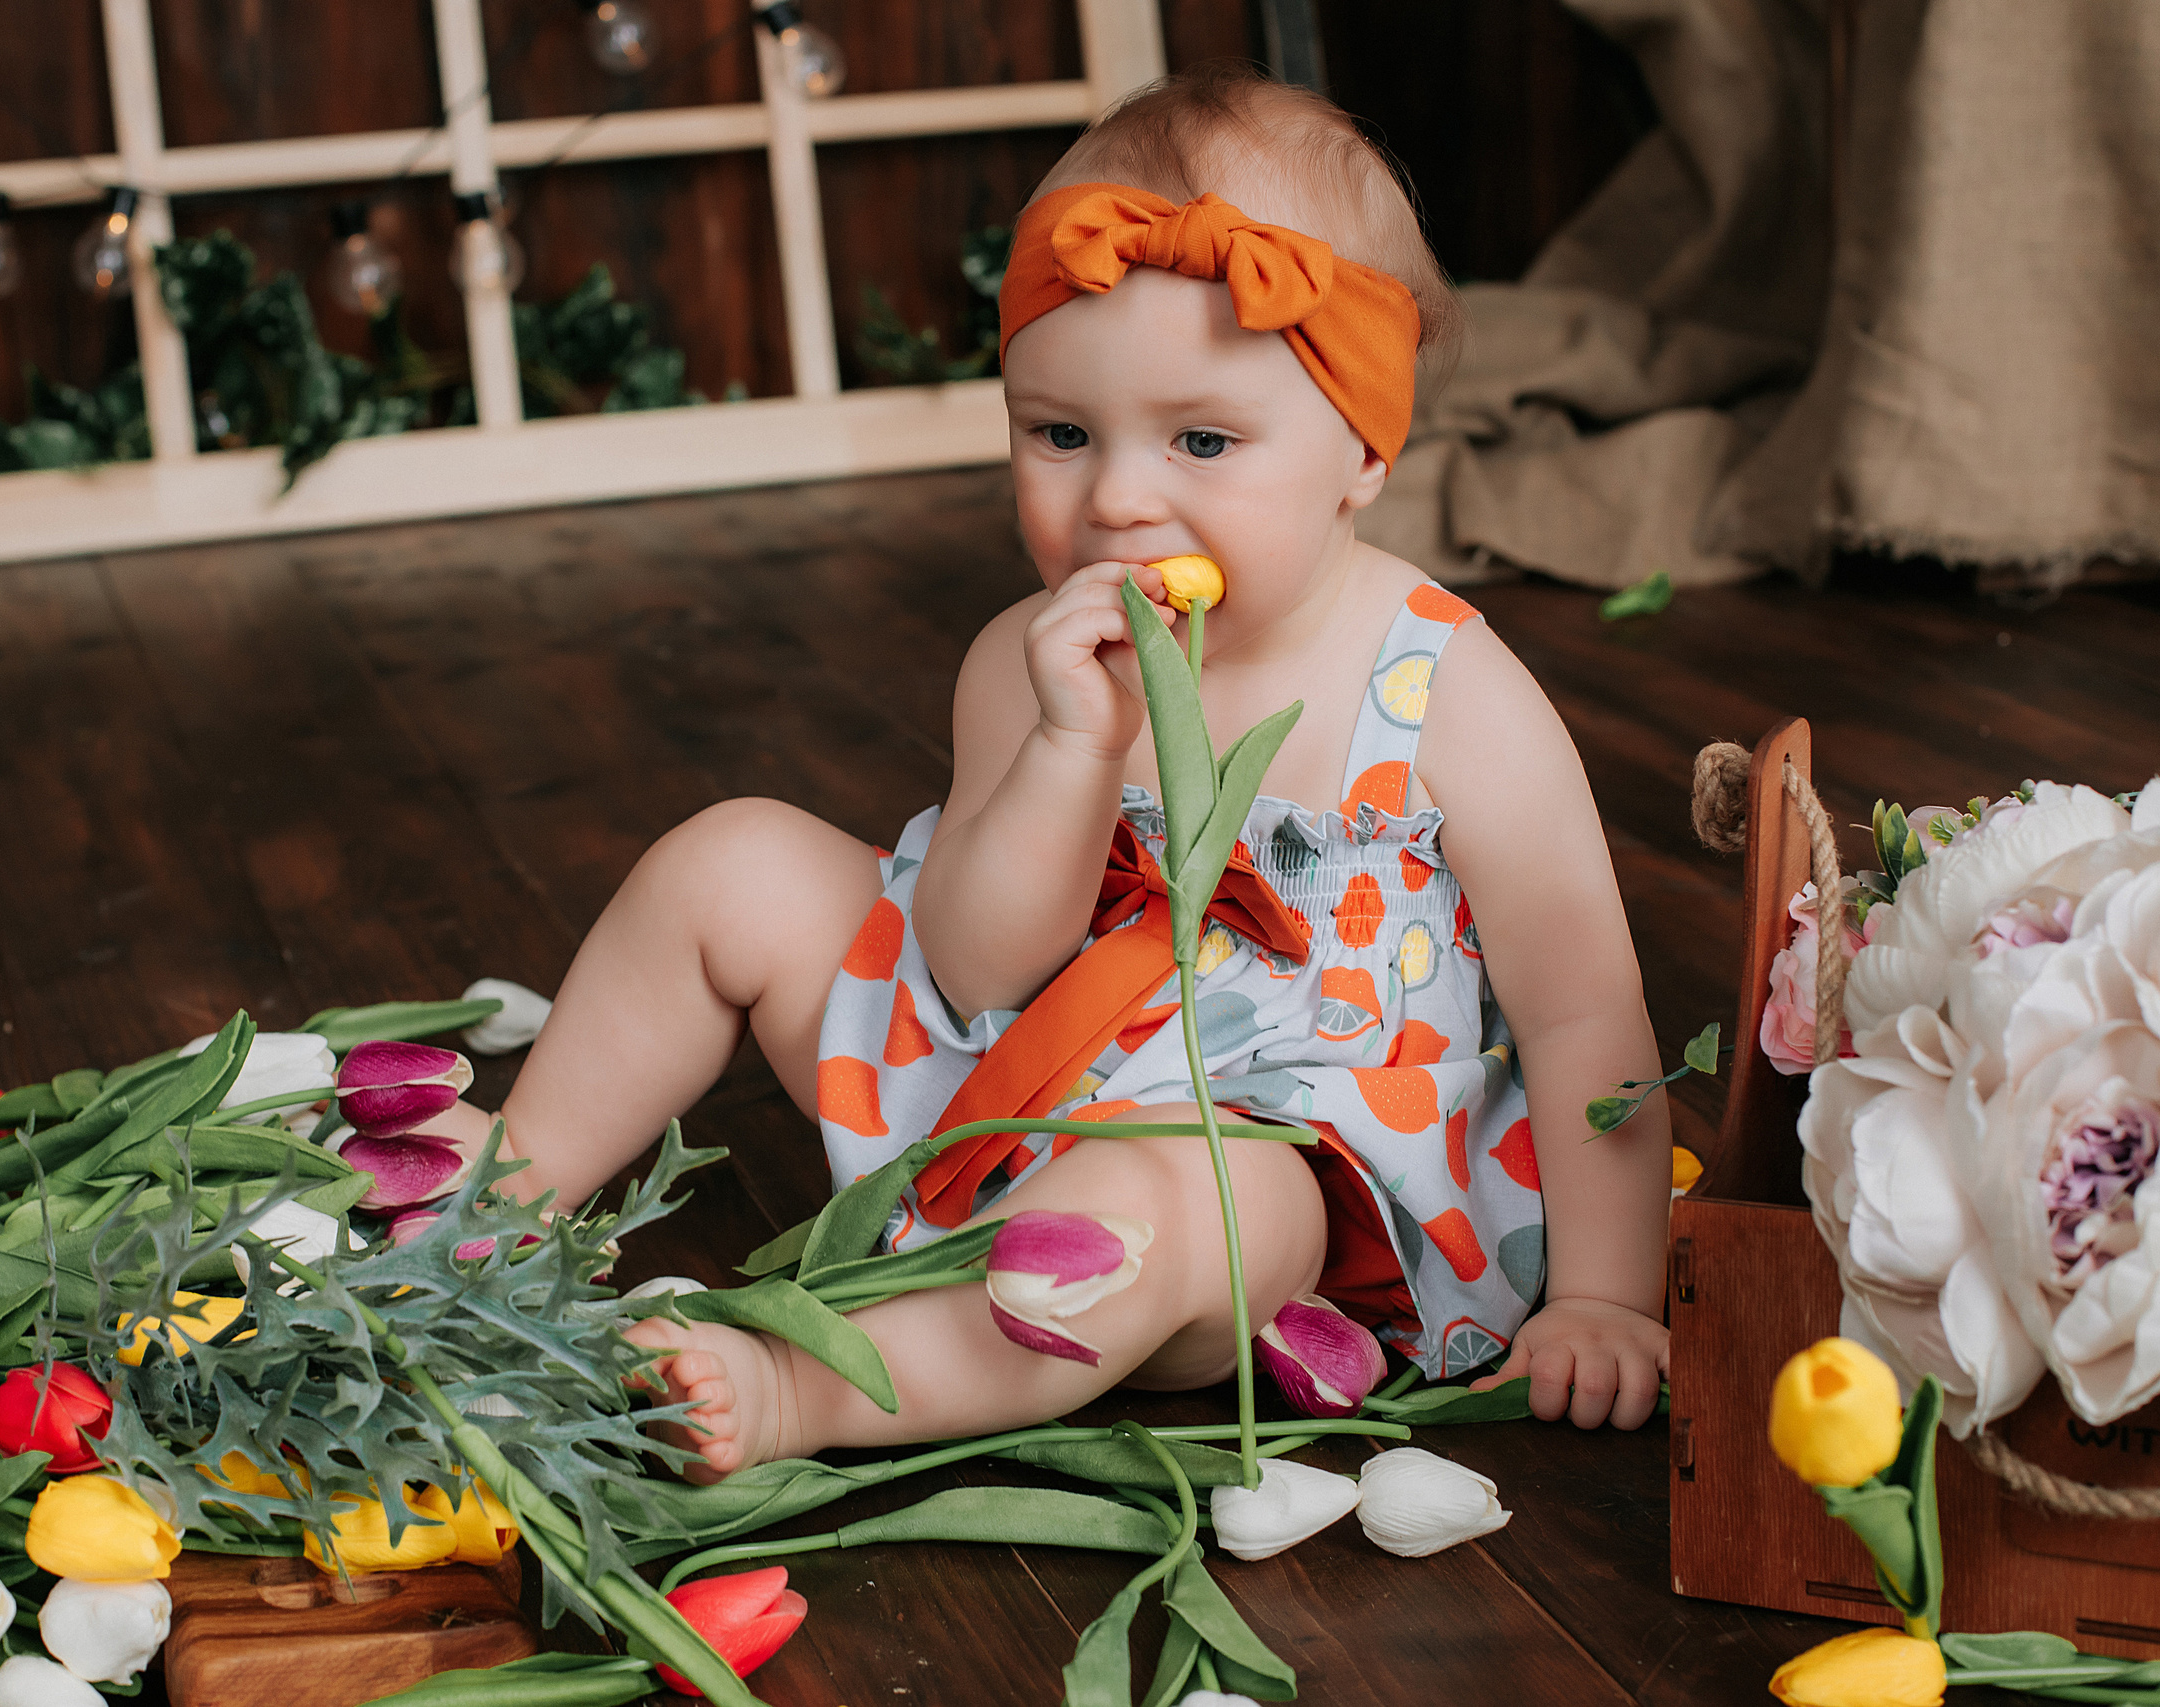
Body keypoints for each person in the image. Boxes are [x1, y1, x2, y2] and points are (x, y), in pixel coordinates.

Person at [417, 65, 1672, 1479]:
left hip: (1270, 1179)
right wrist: (1076, 749)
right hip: (991, 1094)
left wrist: (1607, 1297)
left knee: (1160, 1190)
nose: (1118, 499)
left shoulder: (1450, 696)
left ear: (1362, 450)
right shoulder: (1030, 655)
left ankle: (798, 1391)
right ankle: (503, 1196)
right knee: (734, 858)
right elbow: (973, 966)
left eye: (1202, 440)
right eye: (1059, 435)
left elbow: (1585, 1023)